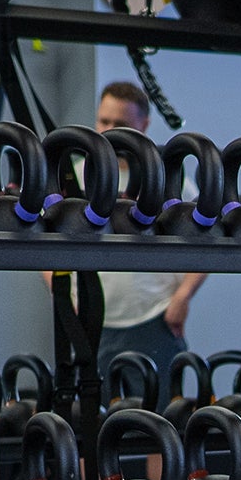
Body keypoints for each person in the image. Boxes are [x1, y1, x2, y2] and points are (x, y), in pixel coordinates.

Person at [91, 80, 204, 376]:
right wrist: (64, 296)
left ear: (144, 124)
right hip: (93, 322)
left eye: (121, 123)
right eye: (104, 121)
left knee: (161, 419)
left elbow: (206, 241)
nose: (110, 130)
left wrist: (183, 298)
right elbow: (40, 241)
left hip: (155, 318)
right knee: (96, 418)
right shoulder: (76, 177)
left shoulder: (170, 180)